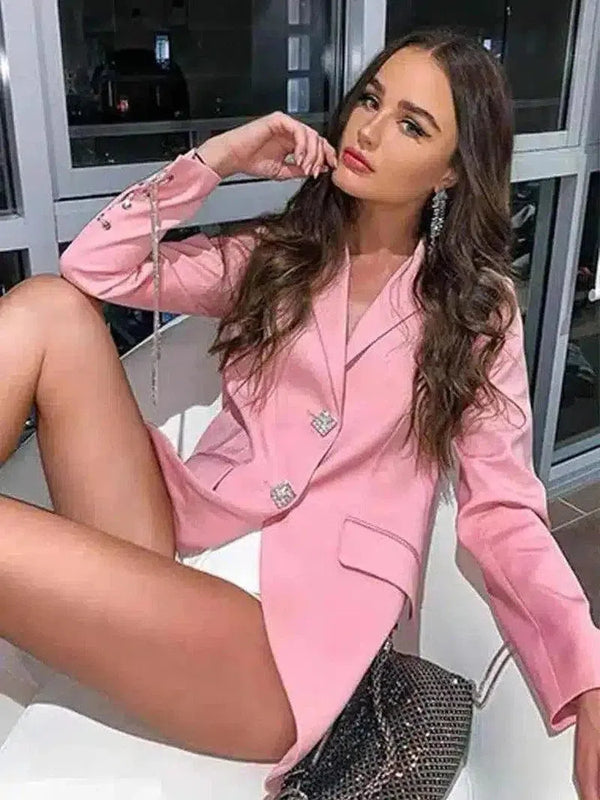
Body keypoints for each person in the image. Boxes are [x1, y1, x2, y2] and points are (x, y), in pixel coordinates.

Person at [0, 26, 599, 800]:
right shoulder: (281, 257)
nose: (369, 130)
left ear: (452, 170)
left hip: (283, 641)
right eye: (371, 100)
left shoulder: (473, 315)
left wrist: (587, 672)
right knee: (47, 306)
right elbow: (94, 267)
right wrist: (218, 159)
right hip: (172, 541)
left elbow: (504, 511)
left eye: (412, 125)